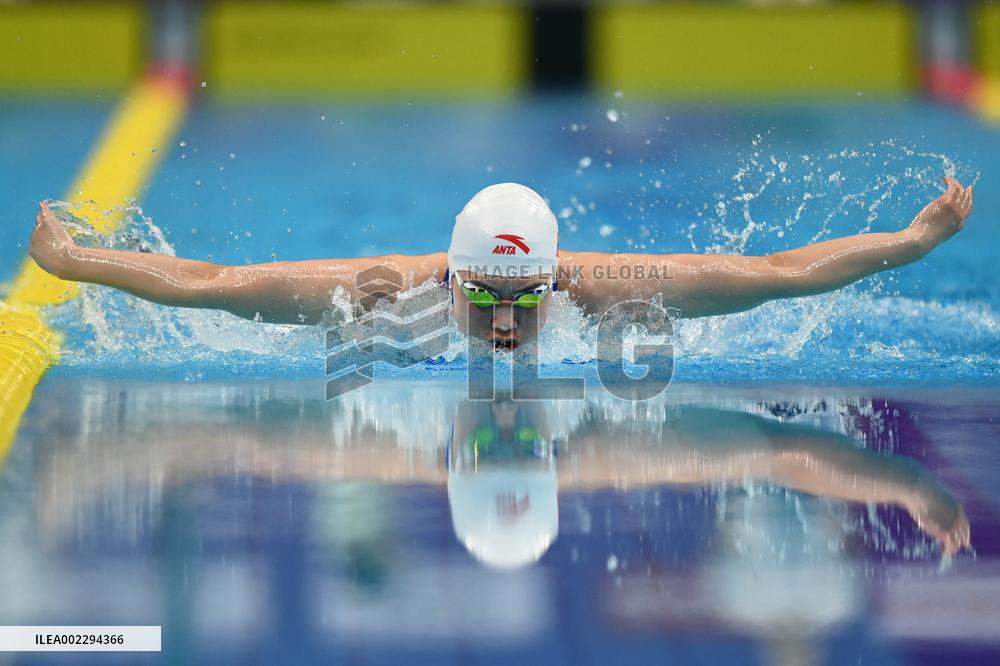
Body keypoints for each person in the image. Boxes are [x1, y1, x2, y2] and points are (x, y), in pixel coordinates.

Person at [29, 179, 973, 350]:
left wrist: (913, 243)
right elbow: (212, 287)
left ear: (559, 279)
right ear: (449, 279)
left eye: (529, 294)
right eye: (485, 293)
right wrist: (78, 265)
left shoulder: (607, 294)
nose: (510, 321)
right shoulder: (382, 296)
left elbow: (780, 273)